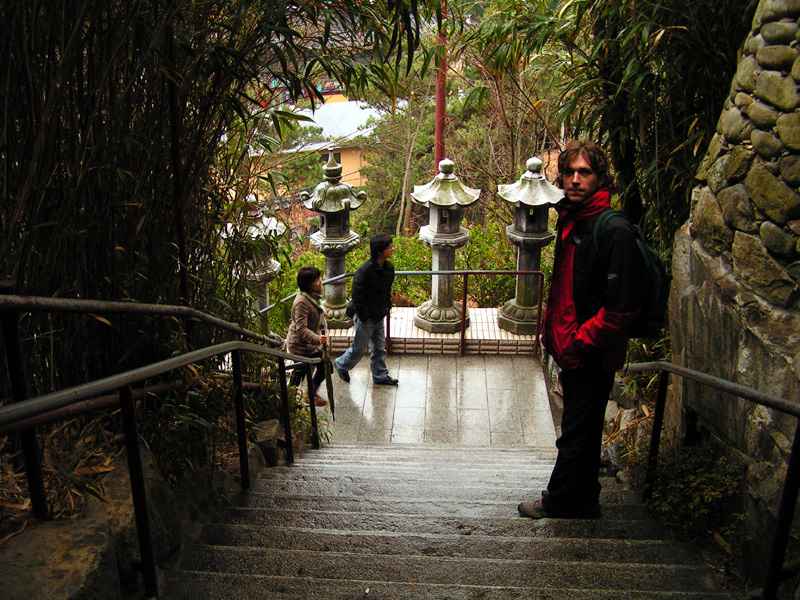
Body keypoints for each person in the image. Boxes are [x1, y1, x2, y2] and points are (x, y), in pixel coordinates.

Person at [518, 140, 644, 519]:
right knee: (584, 429)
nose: (574, 179)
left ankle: (559, 501)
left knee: (575, 431)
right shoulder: (574, 221)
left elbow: (621, 306)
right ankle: (586, 498)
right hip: (572, 349)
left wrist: (578, 342)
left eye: (584, 172)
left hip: (590, 352)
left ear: (599, 178)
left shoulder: (612, 229)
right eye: (570, 172)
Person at [333, 233, 398, 386]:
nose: (392, 249)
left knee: (379, 348)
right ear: (379, 251)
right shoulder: (364, 270)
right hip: (366, 316)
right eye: (389, 247)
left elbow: (386, 291)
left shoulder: (389, 268)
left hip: (379, 313)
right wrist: (364, 316)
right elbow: (357, 295)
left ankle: (380, 375)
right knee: (359, 349)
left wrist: (387, 306)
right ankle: (341, 365)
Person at [286, 265, 329, 407]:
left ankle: (308, 395)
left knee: (321, 367)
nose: (320, 282)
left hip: (309, 343)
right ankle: (290, 401)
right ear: (308, 285)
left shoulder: (313, 297)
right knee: (301, 372)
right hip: (300, 345)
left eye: (319, 278)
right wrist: (318, 339)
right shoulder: (301, 302)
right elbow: (301, 329)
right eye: (316, 280)